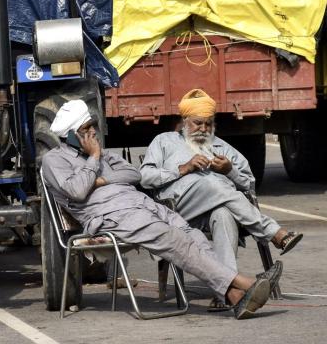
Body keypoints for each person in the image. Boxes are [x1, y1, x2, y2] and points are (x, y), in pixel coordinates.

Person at [41, 99, 280, 320]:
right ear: (71, 135)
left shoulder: (104, 155)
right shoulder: (55, 160)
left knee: (191, 234)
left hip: (142, 205)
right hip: (112, 215)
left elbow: (133, 174)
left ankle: (234, 297)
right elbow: (77, 191)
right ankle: (245, 283)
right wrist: (94, 160)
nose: (93, 132)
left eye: (93, 126)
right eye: (86, 129)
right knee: (174, 239)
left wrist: (100, 178)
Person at [140, 88, 302, 310]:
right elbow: (145, 177)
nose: (203, 129)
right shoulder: (164, 141)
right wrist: (183, 169)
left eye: (208, 124)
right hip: (178, 209)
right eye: (198, 123)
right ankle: (273, 232)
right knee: (211, 183)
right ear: (185, 120)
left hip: (212, 210)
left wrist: (230, 171)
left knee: (224, 213)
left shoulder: (222, 147)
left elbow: (249, 184)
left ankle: (226, 293)